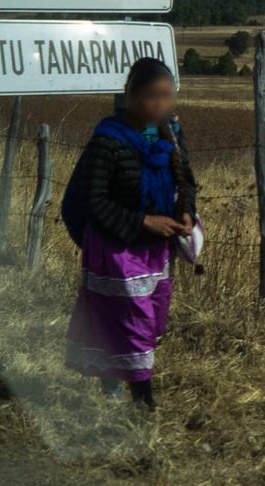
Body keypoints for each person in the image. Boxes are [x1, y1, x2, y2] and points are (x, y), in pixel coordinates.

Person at [64, 57, 197, 411]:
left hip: (156, 251)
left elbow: (187, 182)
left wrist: (185, 212)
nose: (162, 105)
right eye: (153, 96)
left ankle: (111, 379)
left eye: (168, 96)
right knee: (133, 321)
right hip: (116, 248)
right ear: (129, 95)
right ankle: (143, 403)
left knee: (147, 320)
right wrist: (143, 222)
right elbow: (92, 200)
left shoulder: (168, 135)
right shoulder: (109, 142)